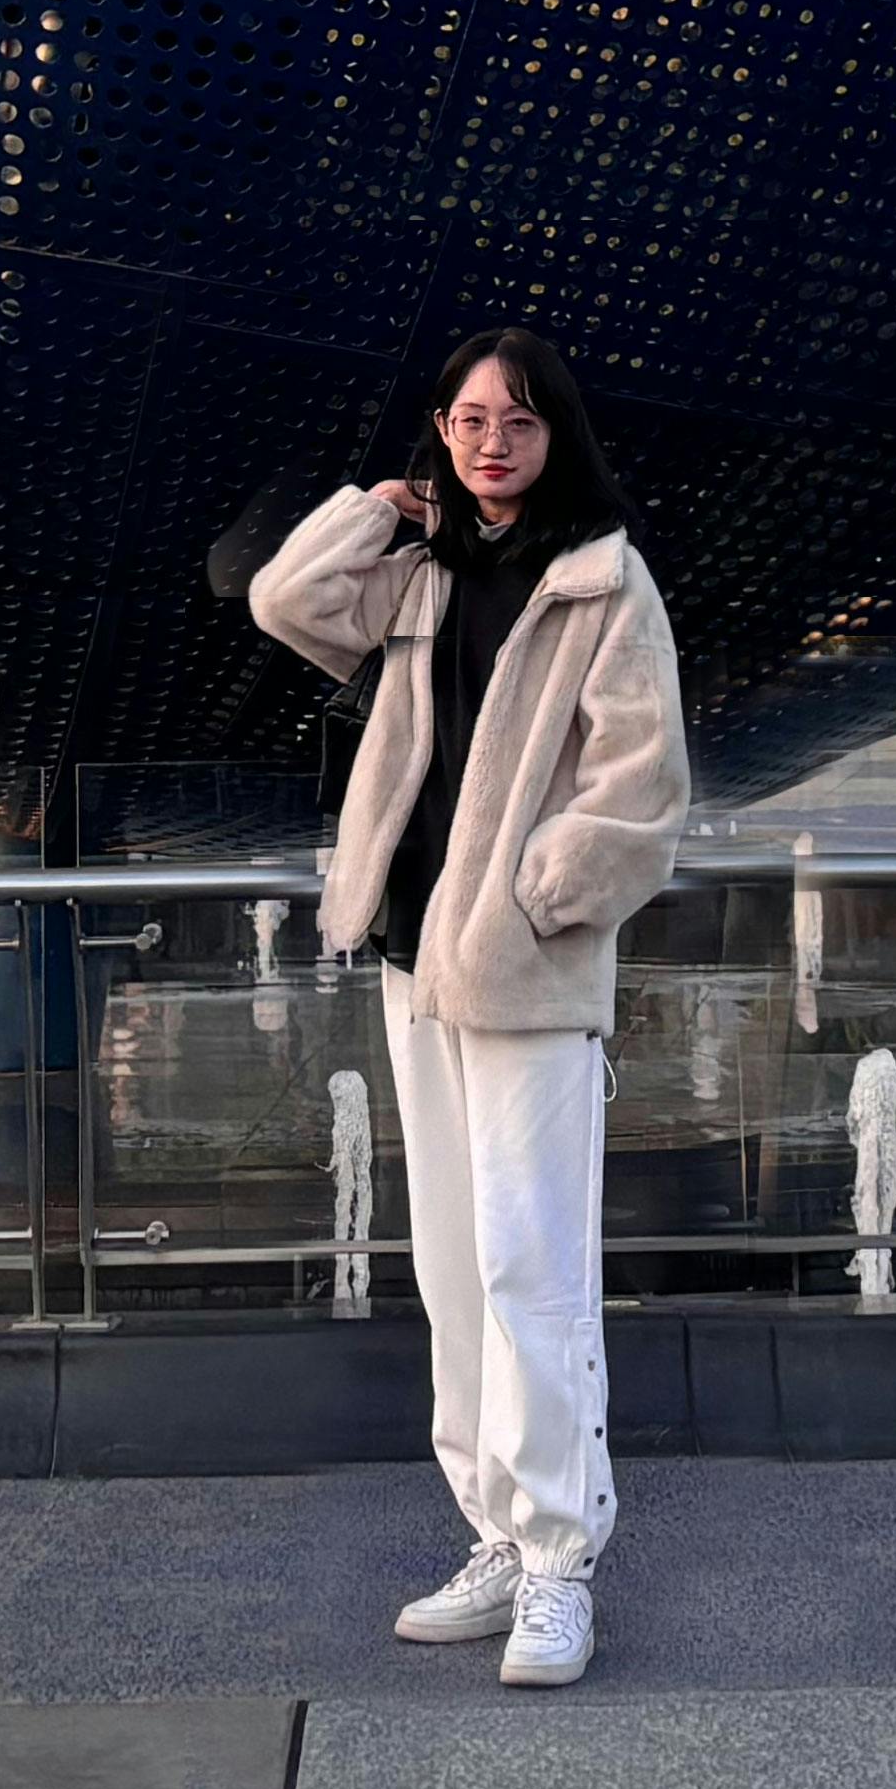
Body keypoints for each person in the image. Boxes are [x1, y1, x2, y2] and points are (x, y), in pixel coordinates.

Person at [250, 327, 689, 1692]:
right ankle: (494, 1532)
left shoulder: (604, 581)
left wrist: (540, 899)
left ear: (556, 432)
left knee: (531, 1268)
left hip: (527, 973)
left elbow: (644, 784)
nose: (492, 440)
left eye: (517, 419)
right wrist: (374, 510)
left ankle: (561, 1562)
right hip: (413, 958)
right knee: (449, 1266)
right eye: (468, 419)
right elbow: (285, 602)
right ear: (440, 431)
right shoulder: (423, 567)